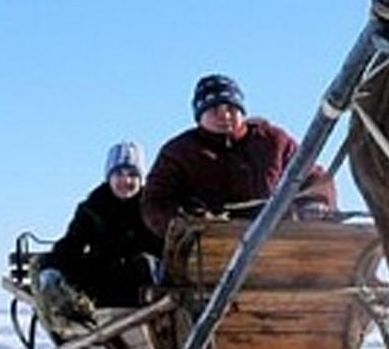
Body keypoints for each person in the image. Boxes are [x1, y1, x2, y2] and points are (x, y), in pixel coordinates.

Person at [141, 74, 336, 238]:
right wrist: (185, 224)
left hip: (277, 242)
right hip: (207, 249)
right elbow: (155, 202)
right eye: (214, 109)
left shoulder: (273, 141)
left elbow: (313, 175)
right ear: (200, 115)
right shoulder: (179, 152)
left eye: (230, 108)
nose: (224, 116)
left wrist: (315, 202)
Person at [35, 141, 163, 324]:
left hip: (145, 286)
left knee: (146, 264)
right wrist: (51, 268)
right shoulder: (93, 208)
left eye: (133, 175)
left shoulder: (153, 206)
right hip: (104, 284)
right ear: (109, 177)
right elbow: (72, 243)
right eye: (119, 174)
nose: (125, 181)